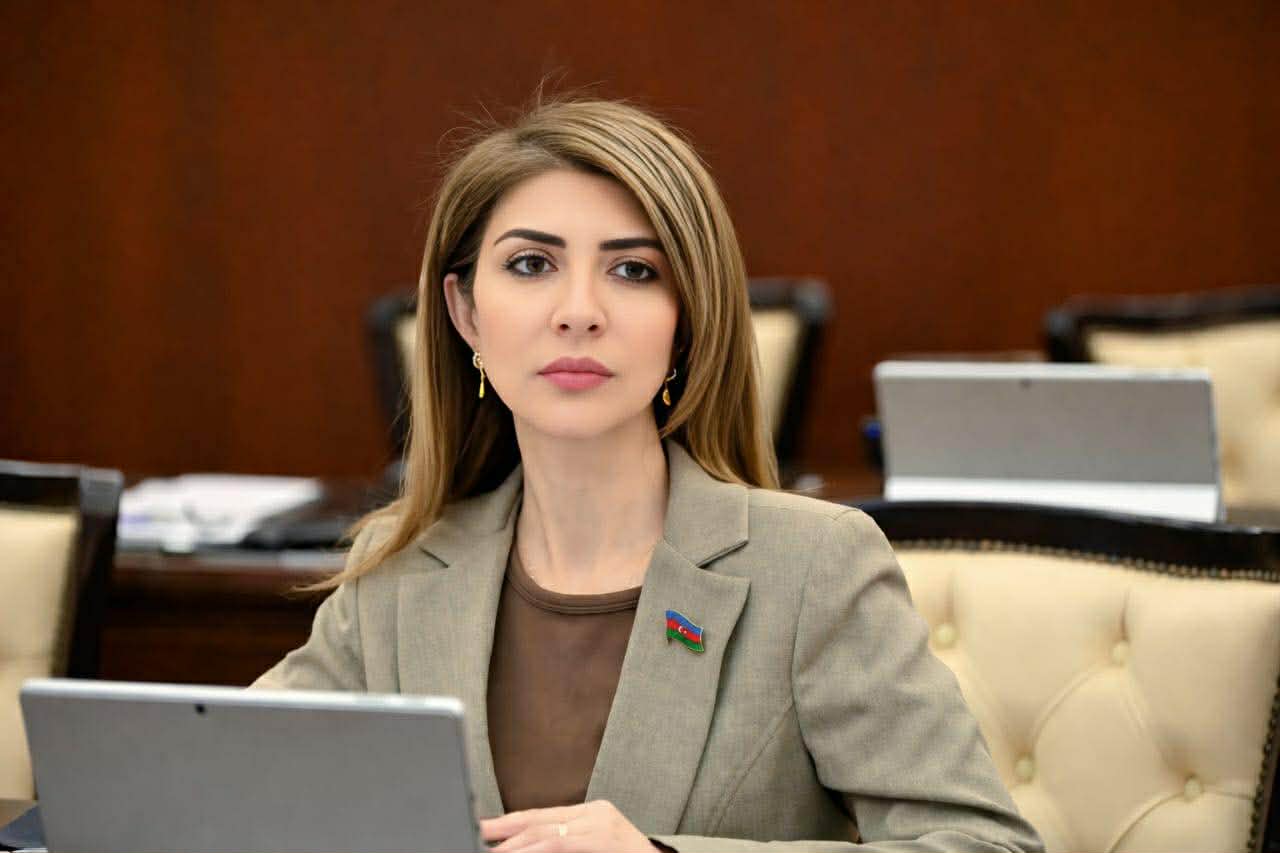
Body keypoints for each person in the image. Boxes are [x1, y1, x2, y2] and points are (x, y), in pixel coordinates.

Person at [254, 96, 1043, 853]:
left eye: (632, 271)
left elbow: (984, 844)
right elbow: (229, 780)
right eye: (530, 264)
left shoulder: (813, 568)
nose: (578, 310)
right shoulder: (397, 573)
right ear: (464, 313)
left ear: (686, 319)